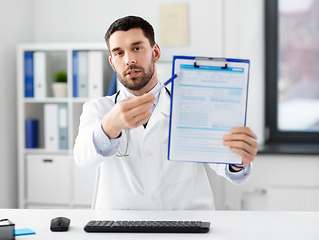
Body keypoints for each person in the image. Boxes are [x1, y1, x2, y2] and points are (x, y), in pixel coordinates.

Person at [74, 16, 258, 210]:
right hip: (122, 229)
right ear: (112, 63)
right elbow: (82, 157)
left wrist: (237, 160)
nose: (129, 60)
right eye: (119, 53)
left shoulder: (192, 104)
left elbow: (226, 165)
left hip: (186, 225)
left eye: (137, 48)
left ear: (155, 52)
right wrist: (109, 126)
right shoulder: (98, 109)